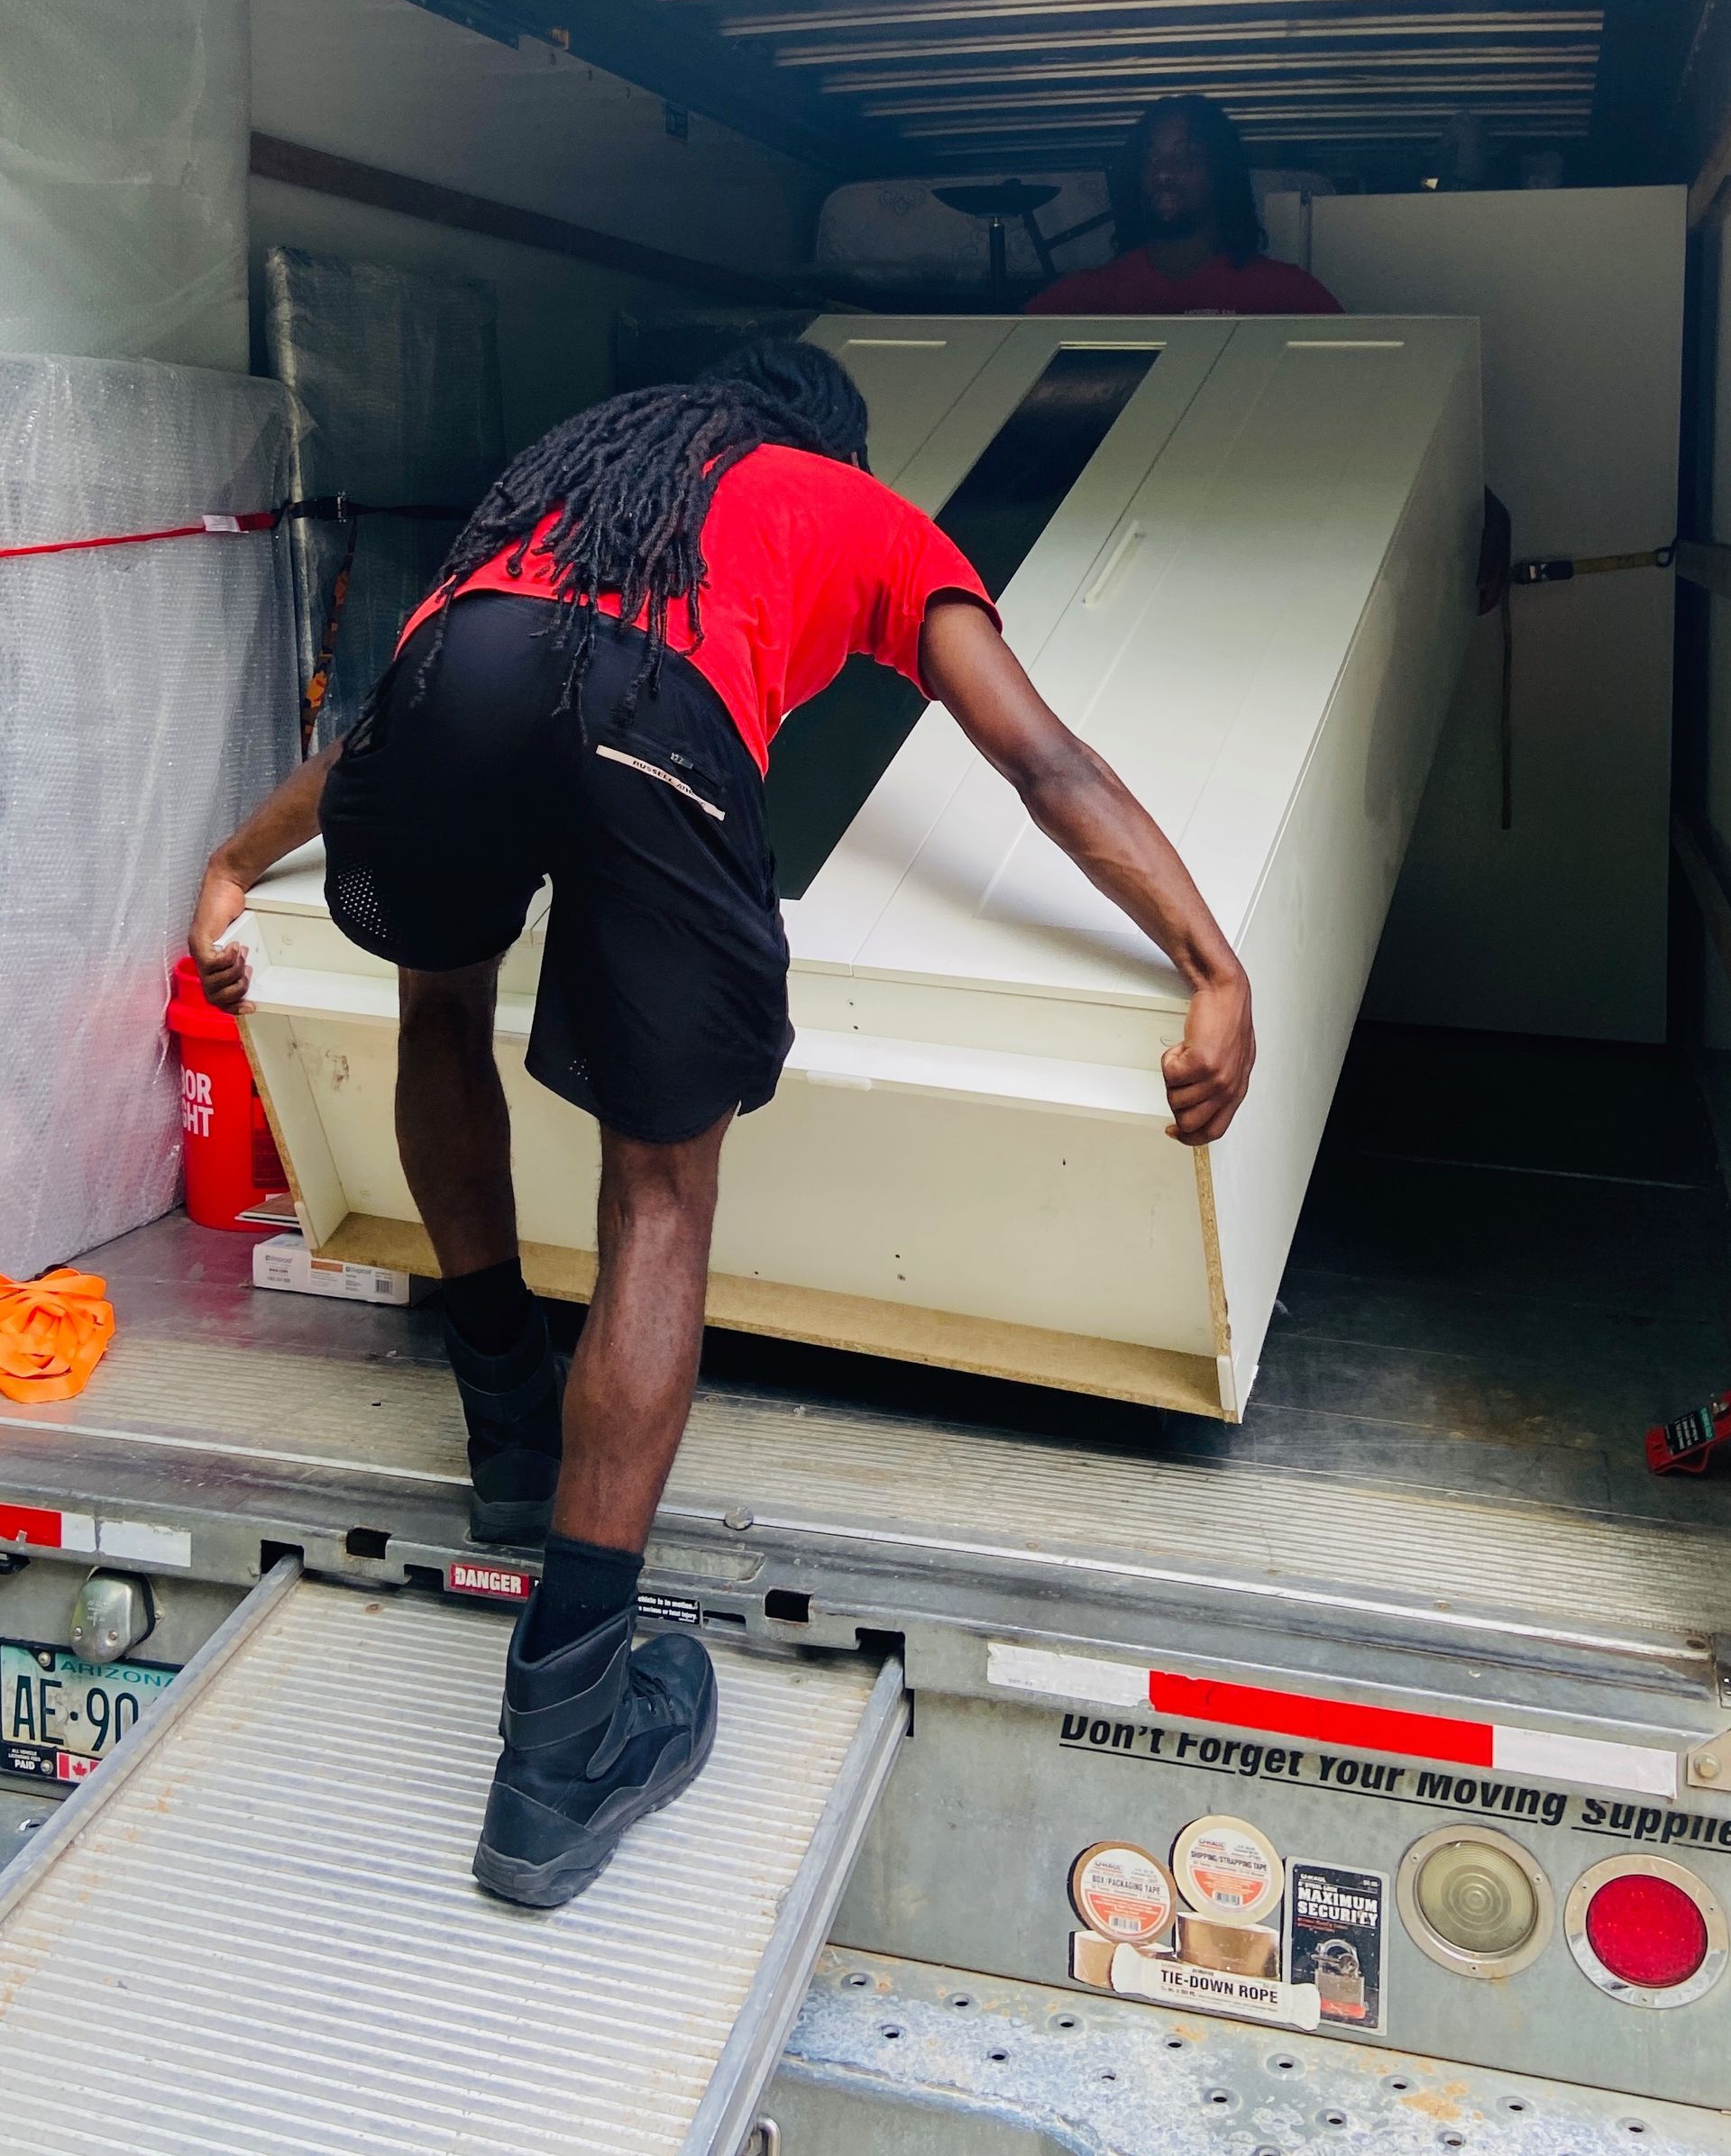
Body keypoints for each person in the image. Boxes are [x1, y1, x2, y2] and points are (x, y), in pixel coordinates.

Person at [189, 340, 1254, 1912]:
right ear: (830, 441)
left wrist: (226, 862)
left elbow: (379, 744)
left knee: (436, 1007)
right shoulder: (866, 515)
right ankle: (562, 1746)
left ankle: (504, 1426)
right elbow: (1043, 757)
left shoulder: (566, 484)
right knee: (660, 1199)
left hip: (442, 688)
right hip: (649, 726)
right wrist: (1211, 963)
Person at [1028, 96, 1341, 317]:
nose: (1163, 171)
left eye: (1186, 154)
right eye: (1150, 157)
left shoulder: (1286, 295)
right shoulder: (1085, 298)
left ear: (1221, 171)